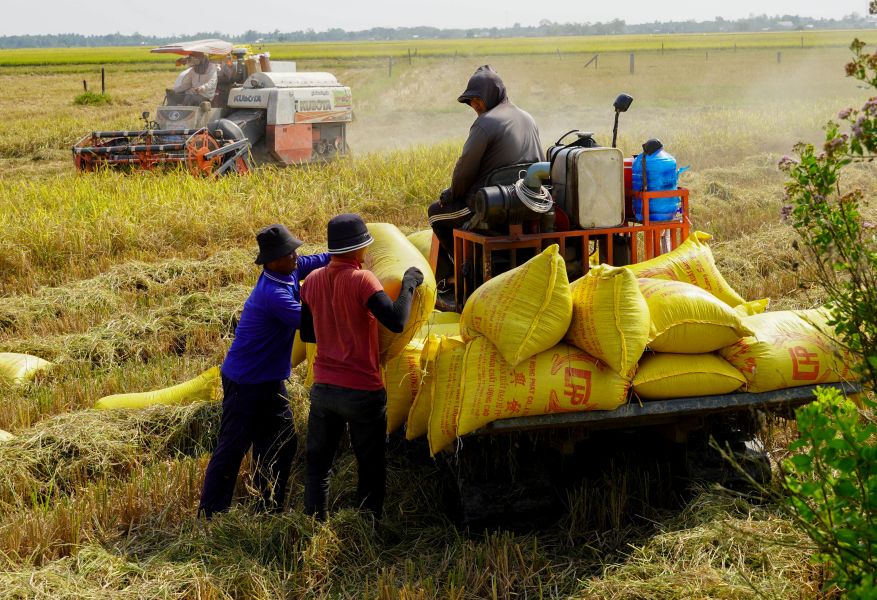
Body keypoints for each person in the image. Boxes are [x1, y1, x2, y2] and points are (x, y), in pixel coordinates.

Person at [198, 224, 330, 518]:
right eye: (288, 253)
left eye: (294, 250)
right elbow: (312, 327)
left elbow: (318, 260)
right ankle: (210, 513)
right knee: (233, 447)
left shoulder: (289, 270)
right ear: (271, 260)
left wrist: (344, 253)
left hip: (269, 380)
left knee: (281, 442)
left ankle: (267, 506)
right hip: (245, 382)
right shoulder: (273, 294)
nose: (295, 256)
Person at [299, 213, 424, 522]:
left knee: (318, 467)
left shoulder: (311, 281)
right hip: (361, 391)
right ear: (359, 249)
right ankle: (366, 527)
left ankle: (314, 523)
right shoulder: (362, 279)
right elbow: (396, 321)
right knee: (370, 466)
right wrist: (409, 283)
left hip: (324, 391)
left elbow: (309, 334)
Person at [427, 65, 544, 284]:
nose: (474, 105)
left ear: (492, 95)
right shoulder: (528, 118)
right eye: (470, 101)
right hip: (529, 202)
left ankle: (456, 276)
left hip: (490, 206)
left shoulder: (485, 123)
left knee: (435, 213)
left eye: (477, 99)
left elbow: (465, 168)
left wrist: (452, 193)